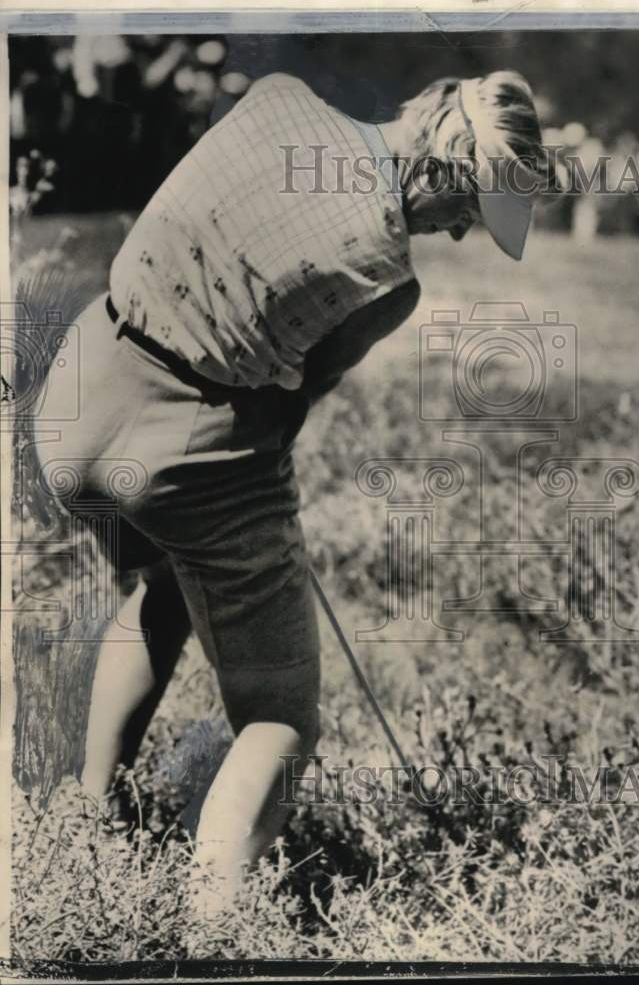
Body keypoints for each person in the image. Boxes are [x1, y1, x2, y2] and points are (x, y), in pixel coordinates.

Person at [36, 68, 559, 915]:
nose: (460, 234)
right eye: (469, 213)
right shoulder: (389, 281)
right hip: (179, 457)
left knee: (168, 581)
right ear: (445, 173)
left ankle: (84, 818)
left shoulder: (278, 95)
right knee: (280, 717)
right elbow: (285, 412)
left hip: (74, 398)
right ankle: (210, 930)